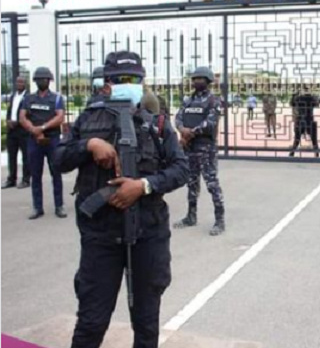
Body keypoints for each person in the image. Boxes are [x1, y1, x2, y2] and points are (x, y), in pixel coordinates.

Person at [54, 51, 189, 347]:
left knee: (146, 323)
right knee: (91, 322)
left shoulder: (158, 124)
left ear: (143, 83)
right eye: (120, 80)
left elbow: (181, 169)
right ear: (107, 84)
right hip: (101, 237)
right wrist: (90, 145)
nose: (128, 85)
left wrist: (143, 186)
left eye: (134, 80)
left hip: (148, 234)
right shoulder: (87, 121)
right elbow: (58, 158)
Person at [173, 66, 226, 235]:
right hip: (190, 148)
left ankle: (219, 221)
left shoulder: (213, 101)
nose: (197, 81)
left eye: (200, 79)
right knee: (191, 183)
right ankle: (191, 216)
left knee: (212, 184)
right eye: (195, 79)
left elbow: (210, 122)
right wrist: (182, 129)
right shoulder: (188, 101)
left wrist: (190, 133)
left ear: (208, 81)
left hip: (206, 149)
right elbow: (178, 117)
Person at [19, 67, 67, 219]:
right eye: (39, 79)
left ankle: (59, 206)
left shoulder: (57, 98)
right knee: (35, 174)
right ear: (35, 81)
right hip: (34, 140)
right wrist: (33, 129)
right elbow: (22, 117)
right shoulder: (28, 99)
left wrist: (43, 127)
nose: (42, 81)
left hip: (52, 139)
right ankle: (37, 207)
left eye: (44, 79)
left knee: (56, 173)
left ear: (49, 80)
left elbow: (60, 117)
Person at [3, 76, 31, 189]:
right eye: (18, 82)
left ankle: (25, 179)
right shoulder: (13, 96)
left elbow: (29, 113)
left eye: (21, 82)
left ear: (25, 84)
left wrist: (18, 123)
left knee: (25, 156)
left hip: (23, 130)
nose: (19, 84)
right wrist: (8, 121)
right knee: (12, 156)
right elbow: (10, 111)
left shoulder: (28, 97)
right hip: (12, 131)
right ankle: (11, 179)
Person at [289, 86, 319, 157]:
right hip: (309, 119)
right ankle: (317, 153)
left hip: (300, 119)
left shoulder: (299, 98)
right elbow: (317, 104)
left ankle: (292, 153)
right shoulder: (312, 98)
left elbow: (292, 103)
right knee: (314, 139)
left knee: (297, 138)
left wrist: (294, 95)